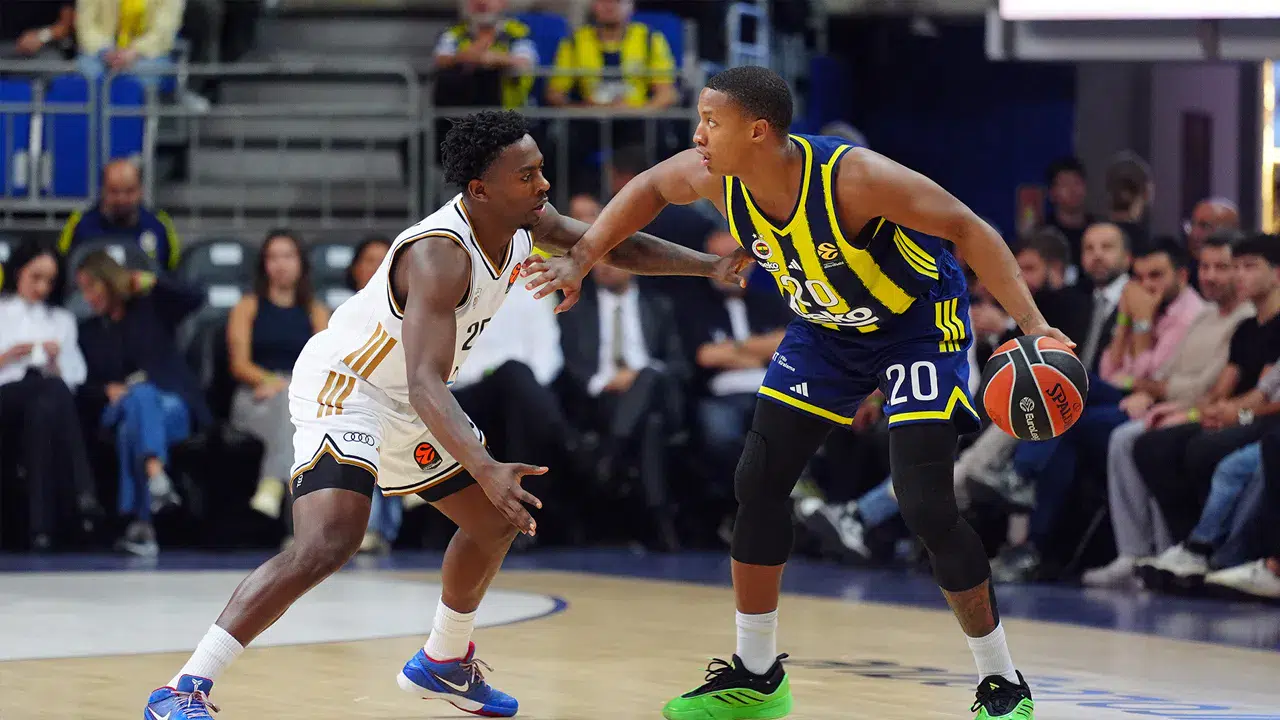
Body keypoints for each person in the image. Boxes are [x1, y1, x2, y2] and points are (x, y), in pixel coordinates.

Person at [143, 109, 750, 720]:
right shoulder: (440, 254)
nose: (543, 185)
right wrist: (485, 466)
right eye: (527, 175)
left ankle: (444, 660)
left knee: (493, 521)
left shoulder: (526, 222)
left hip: (410, 394)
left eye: (541, 170)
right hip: (349, 386)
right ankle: (183, 687)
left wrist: (708, 266)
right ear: (480, 190)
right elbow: (425, 382)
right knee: (329, 540)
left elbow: (609, 243)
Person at [524, 65, 1069, 720]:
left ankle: (1002, 681)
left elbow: (969, 227)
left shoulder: (853, 178)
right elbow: (647, 188)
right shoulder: (716, 176)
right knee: (757, 481)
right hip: (826, 331)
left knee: (925, 502)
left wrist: (1034, 326)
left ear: (758, 131)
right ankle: (757, 676)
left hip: (914, 327)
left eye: (711, 122)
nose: (697, 135)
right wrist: (582, 258)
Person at [76, 250, 208, 556]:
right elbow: (81, 385)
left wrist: (154, 281)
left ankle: (140, 525)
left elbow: (195, 298)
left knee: (134, 420)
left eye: (92, 286)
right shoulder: (89, 332)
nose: (87, 297)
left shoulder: (152, 308)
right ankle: (156, 480)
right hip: (117, 408)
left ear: (110, 281)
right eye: (83, 289)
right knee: (138, 398)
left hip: (170, 406)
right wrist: (105, 390)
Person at [0, 239, 99, 551]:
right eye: (35, 278)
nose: (42, 287)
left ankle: (40, 530)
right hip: (4, 397)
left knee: (44, 407)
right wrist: (9, 355)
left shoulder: (61, 320)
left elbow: (75, 377)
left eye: (49, 281)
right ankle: (83, 491)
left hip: (44, 401)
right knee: (50, 391)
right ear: (18, 272)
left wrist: (55, 364)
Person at [230, 230, 329, 528]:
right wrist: (271, 381)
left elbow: (325, 364)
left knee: (293, 414)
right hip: (256, 394)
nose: (281, 264)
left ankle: (272, 484)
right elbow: (239, 364)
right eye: (273, 257)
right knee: (292, 414)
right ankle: (297, 526)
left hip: (301, 394)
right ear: (264, 265)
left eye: (288, 256)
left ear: (300, 263)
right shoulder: (248, 306)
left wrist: (292, 386)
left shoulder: (316, 310)